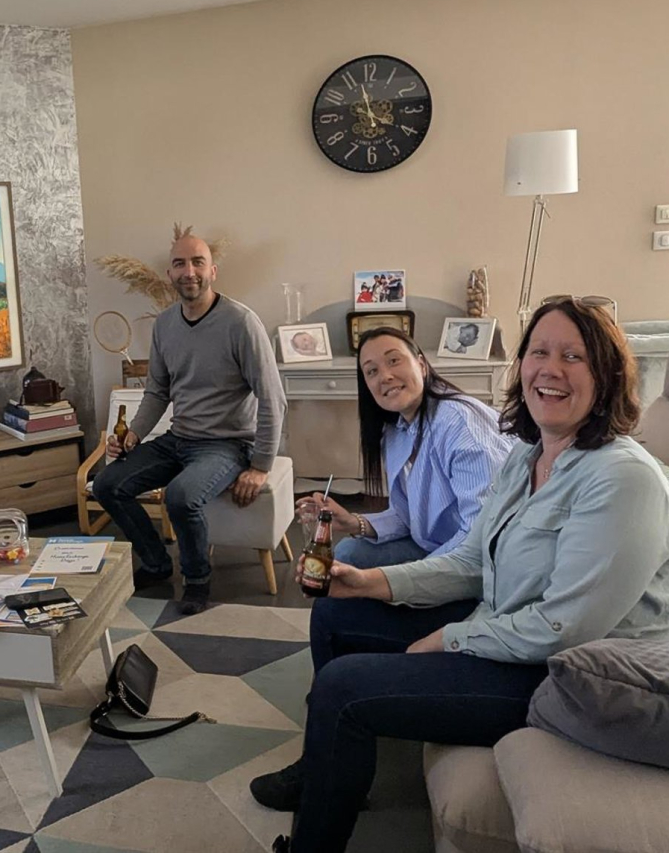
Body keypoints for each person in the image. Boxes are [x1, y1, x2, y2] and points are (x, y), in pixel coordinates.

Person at [254, 299, 669, 853]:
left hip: (562, 675)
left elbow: (564, 628)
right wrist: (370, 583)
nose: (550, 369)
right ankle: (328, 770)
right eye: (539, 352)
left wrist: (453, 637)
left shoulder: (623, 478)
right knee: (336, 610)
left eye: (574, 356)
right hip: (506, 630)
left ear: (608, 374)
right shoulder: (528, 457)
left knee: (343, 687)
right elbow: (473, 560)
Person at [92, 227, 287, 615]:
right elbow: (157, 392)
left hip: (226, 445)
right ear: (170, 274)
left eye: (198, 262)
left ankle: (197, 581)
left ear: (213, 271)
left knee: (181, 497)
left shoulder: (241, 322)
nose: (189, 271)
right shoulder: (165, 325)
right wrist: (134, 434)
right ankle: (156, 563)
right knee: (107, 484)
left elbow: (272, 398)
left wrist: (261, 466)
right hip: (178, 437)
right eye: (180, 264)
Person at [298, 327, 514, 570]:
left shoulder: (460, 425)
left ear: (421, 365)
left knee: (354, 581)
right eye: (372, 371)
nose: (385, 376)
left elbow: (480, 536)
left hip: (484, 560)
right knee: (347, 554)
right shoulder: (398, 428)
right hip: (438, 545)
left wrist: (398, 581)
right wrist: (352, 522)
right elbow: (409, 517)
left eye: (394, 360)